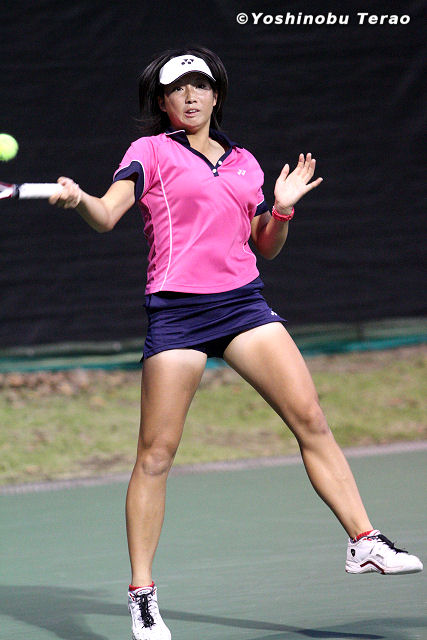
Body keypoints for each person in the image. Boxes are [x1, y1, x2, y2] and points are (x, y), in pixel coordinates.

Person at [49, 46, 423, 640]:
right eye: (178, 88)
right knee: (155, 455)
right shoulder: (150, 152)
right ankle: (142, 595)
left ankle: (364, 541)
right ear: (163, 101)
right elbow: (107, 214)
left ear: (216, 94)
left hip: (243, 305)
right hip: (177, 312)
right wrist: (79, 201)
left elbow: (263, 245)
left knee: (311, 418)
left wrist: (281, 211)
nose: (190, 96)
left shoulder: (245, 162)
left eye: (200, 85)